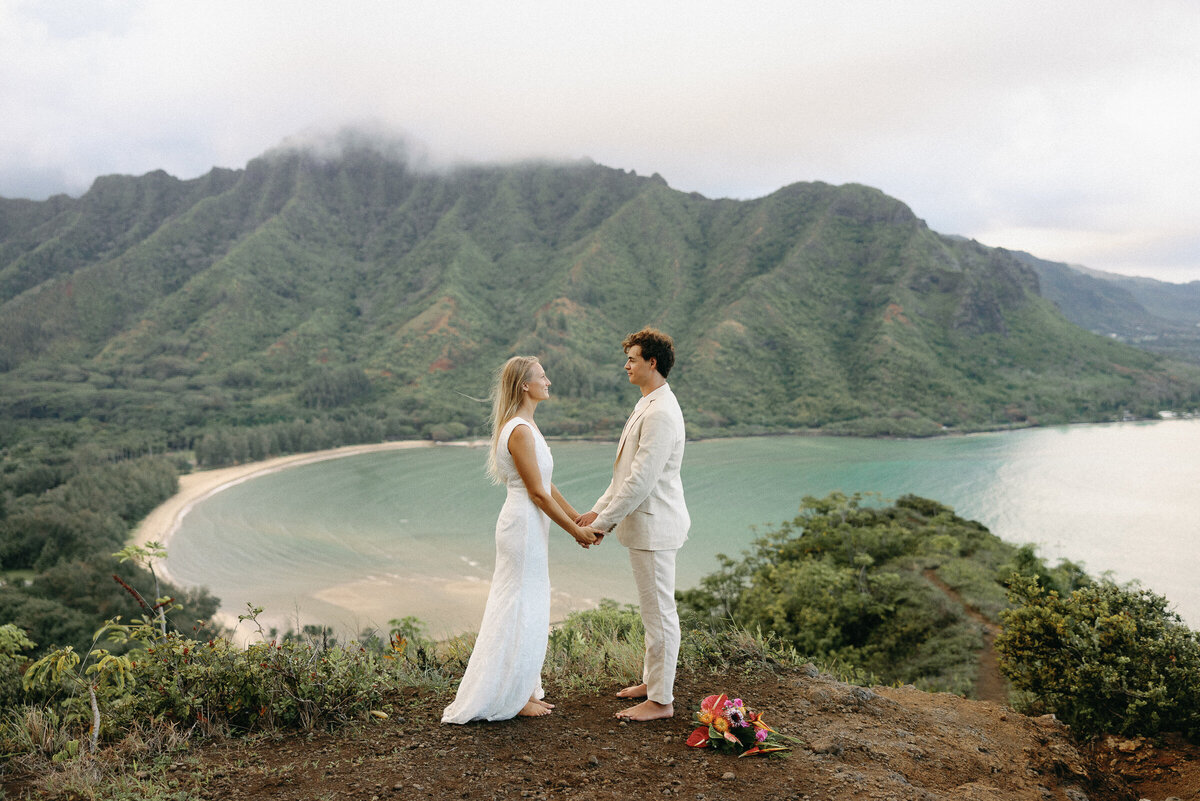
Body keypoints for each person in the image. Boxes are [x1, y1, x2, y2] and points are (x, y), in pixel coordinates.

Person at [442, 356, 601, 723]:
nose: (549, 382)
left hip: (529, 524)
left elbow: (547, 485)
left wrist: (576, 513)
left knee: (528, 605)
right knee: (520, 606)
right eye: (543, 377)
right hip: (523, 525)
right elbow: (537, 494)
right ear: (525, 386)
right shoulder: (520, 430)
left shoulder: (525, 426)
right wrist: (575, 531)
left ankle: (523, 689)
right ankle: (513, 696)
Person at [575, 328, 690, 722]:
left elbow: (640, 482)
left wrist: (602, 525)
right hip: (646, 527)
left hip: (656, 528)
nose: (626, 366)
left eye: (632, 359)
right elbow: (622, 476)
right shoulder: (647, 405)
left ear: (651, 363)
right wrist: (595, 513)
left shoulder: (660, 411)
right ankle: (652, 682)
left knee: (660, 614)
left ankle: (661, 701)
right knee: (651, 612)